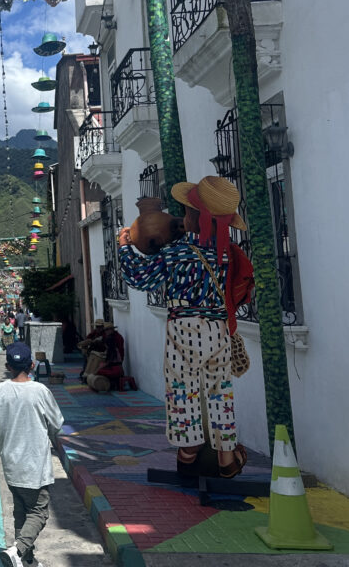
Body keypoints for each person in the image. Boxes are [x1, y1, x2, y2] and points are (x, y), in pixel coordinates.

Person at [118, 176, 252, 479]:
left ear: (192, 216)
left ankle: (188, 451)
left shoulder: (177, 252)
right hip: (217, 328)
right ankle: (226, 458)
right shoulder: (224, 255)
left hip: (185, 327)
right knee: (220, 391)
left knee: (184, 389)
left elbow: (140, 278)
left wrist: (126, 247)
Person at [0, 342, 64, 567]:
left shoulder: (0, 390)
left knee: (21, 511)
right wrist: (49, 431)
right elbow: (57, 422)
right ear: (32, 364)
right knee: (39, 512)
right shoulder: (40, 391)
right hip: (35, 465)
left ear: (8, 366)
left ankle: (26, 560)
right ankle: (18, 551)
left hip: (11, 464)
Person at [87, 321, 125, 392]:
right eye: (105, 330)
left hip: (116, 369)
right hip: (115, 366)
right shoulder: (110, 338)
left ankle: (107, 384)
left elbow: (111, 361)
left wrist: (98, 369)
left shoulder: (115, 340)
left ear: (111, 329)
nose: (106, 332)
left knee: (99, 371)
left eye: (107, 330)